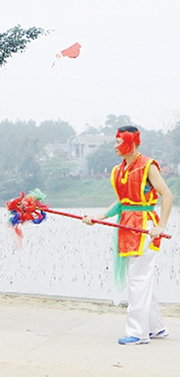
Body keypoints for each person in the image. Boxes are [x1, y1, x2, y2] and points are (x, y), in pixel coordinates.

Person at [83, 126, 173, 345]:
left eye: (117, 142)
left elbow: (167, 196)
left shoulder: (148, 166)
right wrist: (99, 217)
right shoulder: (119, 170)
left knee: (138, 280)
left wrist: (160, 226)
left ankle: (138, 333)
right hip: (126, 227)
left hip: (144, 229)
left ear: (130, 143)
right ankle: (156, 328)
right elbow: (122, 202)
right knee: (140, 278)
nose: (114, 146)